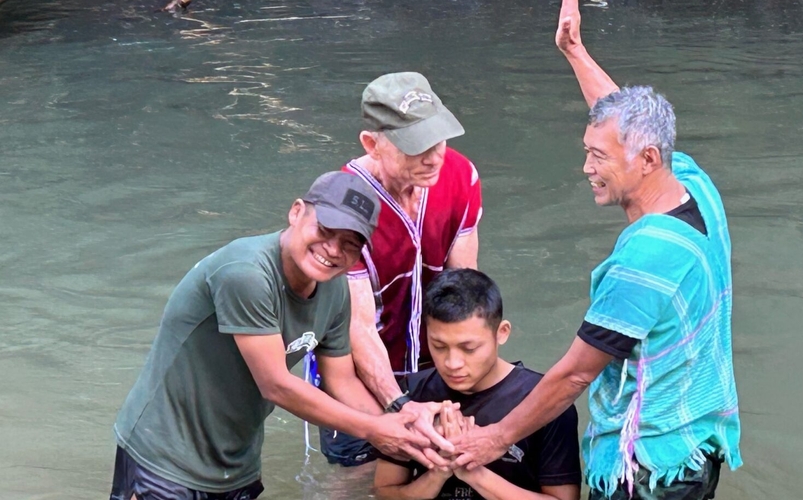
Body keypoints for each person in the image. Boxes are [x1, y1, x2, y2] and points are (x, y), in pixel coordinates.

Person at [451, 2, 743, 499]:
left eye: (598, 156)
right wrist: (575, 52)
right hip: (697, 437)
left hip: (648, 470)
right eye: (588, 150)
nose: (586, 167)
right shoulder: (696, 186)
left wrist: (491, 441)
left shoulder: (645, 259)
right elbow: (622, 114)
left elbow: (574, 374)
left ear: (647, 159)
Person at [110, 171, 451, 500]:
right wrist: (375, 431)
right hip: (162, 456)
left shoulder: (334, 291)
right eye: (325, 229)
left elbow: (343, 381)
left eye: (350, 243)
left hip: (234, 462)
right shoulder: (247, 274)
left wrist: (407, 426)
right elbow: (275, 384)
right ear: (296, 211)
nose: (333, 250)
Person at [317, 71, 483, 466]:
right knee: (357, 476)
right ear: (372, 144)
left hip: (438, 363)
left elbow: (466, 289)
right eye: (415, 146)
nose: (433, 157)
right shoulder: (344, 205)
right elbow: (356, 326)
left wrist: (479, 380)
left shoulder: (460, 176)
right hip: (361, 374)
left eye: (438, 139)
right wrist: (398, 406)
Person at [373, 269, 581, 500]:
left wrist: (473, 472)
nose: (452, 363)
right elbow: (386, 492)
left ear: (501, 333)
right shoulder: (413, 395)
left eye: (469, 349)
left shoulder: (545, 402)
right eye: (439, 346)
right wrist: (439, 472)